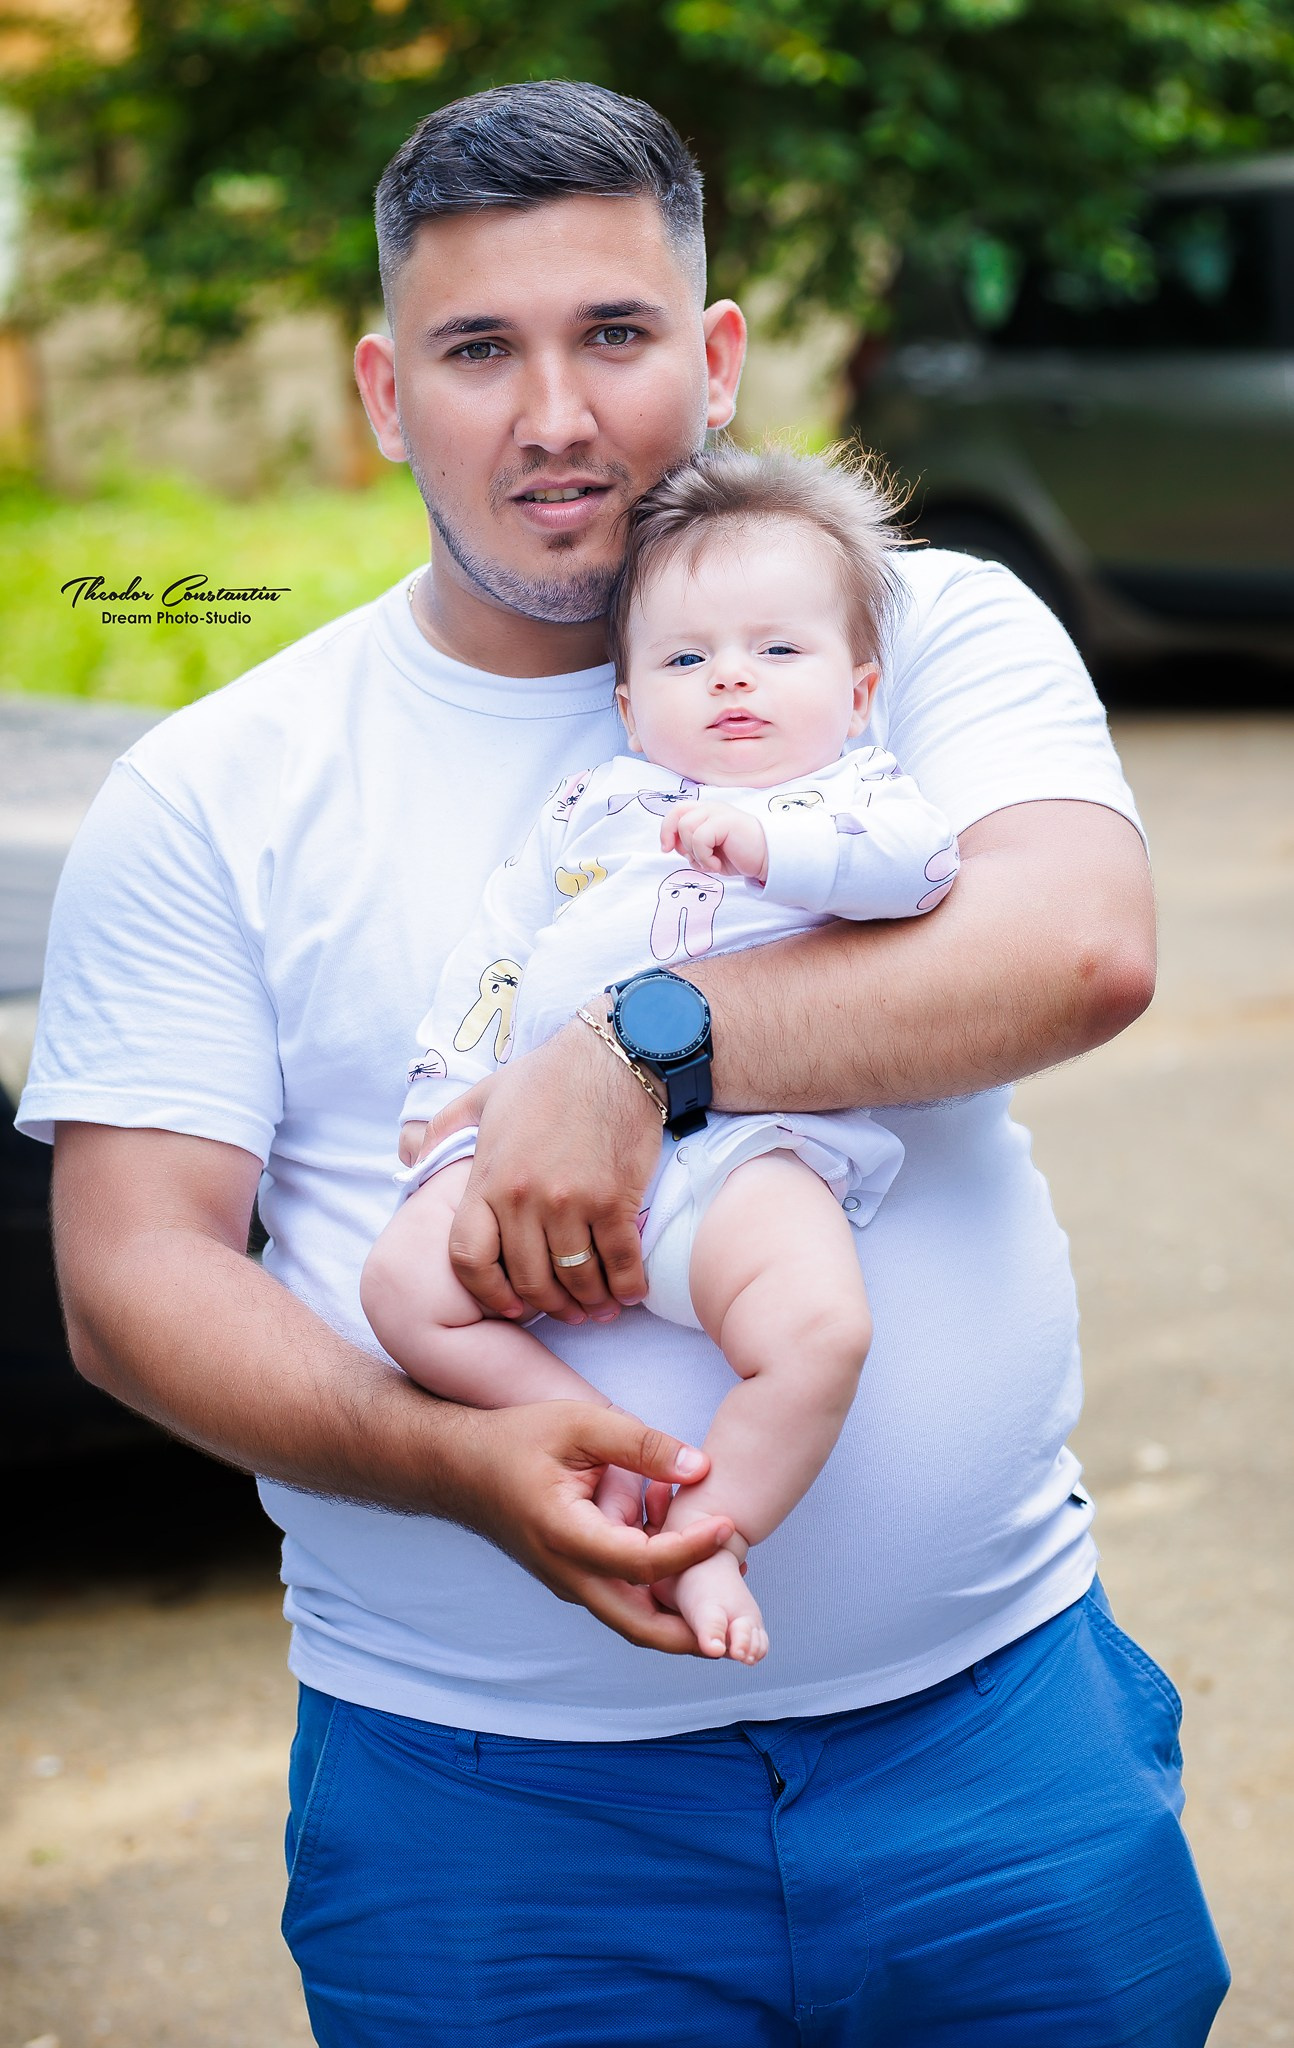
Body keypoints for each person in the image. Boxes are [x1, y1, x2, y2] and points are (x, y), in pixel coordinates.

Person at [20, 78, 1228, 2048]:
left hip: (991, 1744)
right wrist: (460, 1459)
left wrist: (639, 1045)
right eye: (475, 351)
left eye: (612, 332)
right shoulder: (218, 788)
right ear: (382, 391)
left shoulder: (903, 630)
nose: (554, 414)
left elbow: (1075, 944)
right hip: (492, 1815)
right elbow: (129, 1271)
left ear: (717, 354)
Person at [362, 443, 960, 1666]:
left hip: (739, 1153)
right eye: (685, 659)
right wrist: (443, 1088)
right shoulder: (592, 809)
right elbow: (498, 947)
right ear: (631, 704)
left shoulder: (857, 794)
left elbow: (919, 872)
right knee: (402, 1288)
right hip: (533, 1137)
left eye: (777, 649)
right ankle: (596, 1436)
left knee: (818, 1329)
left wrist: (773, 848)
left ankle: (705, 1527)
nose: (731, 675)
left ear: (857, 691)